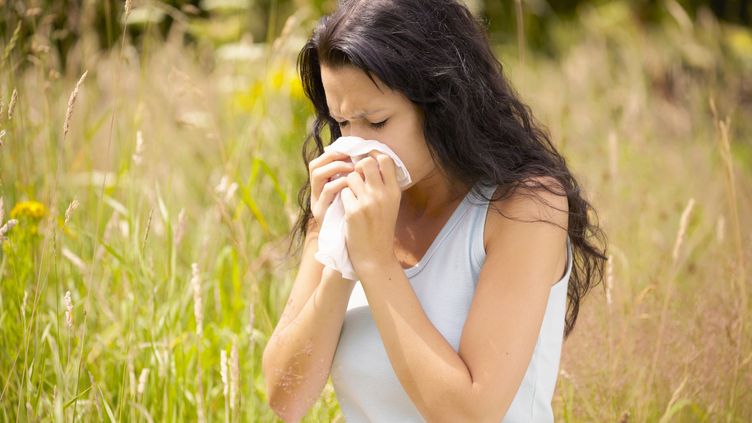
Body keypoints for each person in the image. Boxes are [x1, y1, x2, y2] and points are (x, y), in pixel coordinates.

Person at [262, 0, 607, 421]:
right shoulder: (345, 202)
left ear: (442, 105)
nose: (355, 146)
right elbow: (285, 398)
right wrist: (341, 256)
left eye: (377, 122)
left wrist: (375, 261)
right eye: (343, 123)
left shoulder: (524, 208)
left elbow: (470, 414)